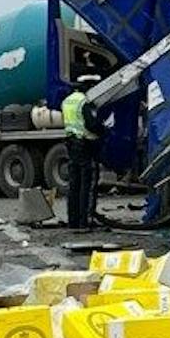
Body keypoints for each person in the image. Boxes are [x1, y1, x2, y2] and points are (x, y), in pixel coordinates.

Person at [61, 69, 107, 232]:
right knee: (87, 184)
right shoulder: (84, 102)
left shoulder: (67, 101)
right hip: (85, 145)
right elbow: (91, 125)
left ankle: (72, 220)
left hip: (70, 143)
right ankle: (85, 221)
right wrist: (104, 129)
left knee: (74, 184)